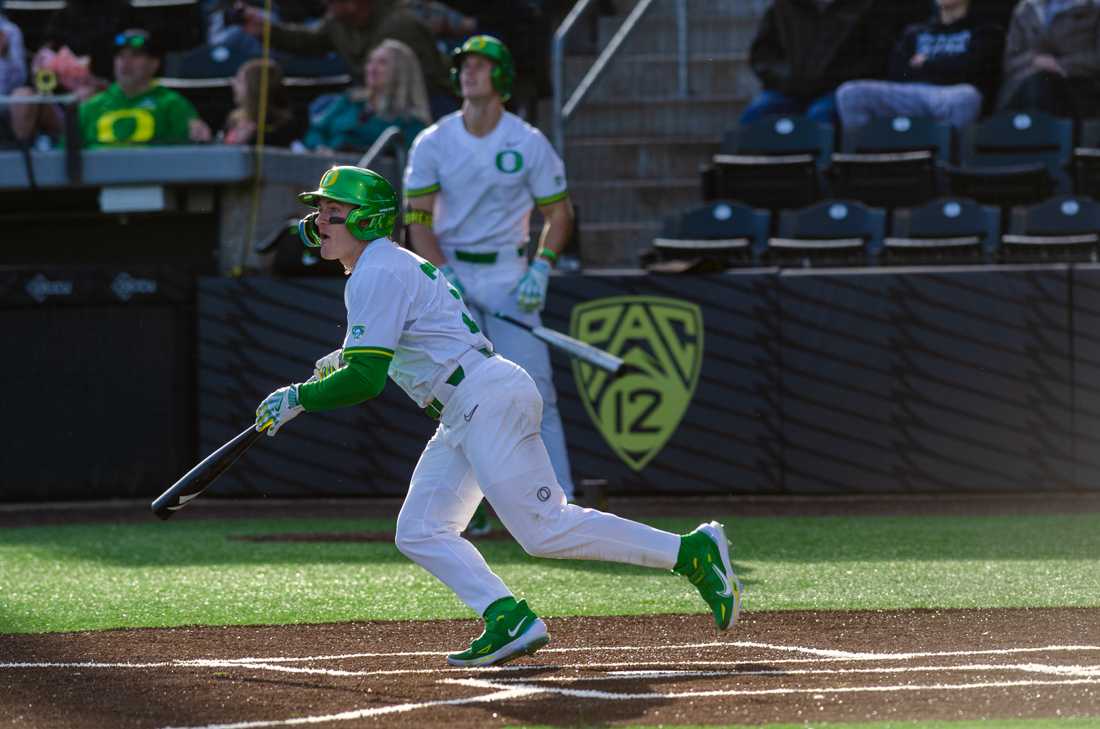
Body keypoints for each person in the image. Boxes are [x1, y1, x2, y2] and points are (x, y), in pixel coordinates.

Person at [253, 164, 743, 667]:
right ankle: (506, 616)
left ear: (368, 220)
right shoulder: (380, 267)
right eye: (321, 211)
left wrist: (299, 398)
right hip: (467, 405)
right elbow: (392, 347)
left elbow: (365, 379)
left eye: (335, 212)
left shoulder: (377, 271)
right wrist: (333, 365)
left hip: (484, 398)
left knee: (545, 529)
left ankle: (691, 553)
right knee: (421, 529)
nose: (321, 221)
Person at [402, 36, 577, 525]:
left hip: (507, 270)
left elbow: (558, 214)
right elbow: (418, 218)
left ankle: (561, 498)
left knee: (536, 385)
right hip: (451, 270)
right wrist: (444, 274)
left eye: (480, 66)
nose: (468, 74)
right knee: (461, 392)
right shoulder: (433, 141)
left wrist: (541, 267)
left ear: (500, 77)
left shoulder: (527, 141)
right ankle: (471, 507)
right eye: (464, 66)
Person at [236, 0, 453, 118]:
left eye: (332, 2)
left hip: (421, 99)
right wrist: (266, 31)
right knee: (323, 108)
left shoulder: (401, 25)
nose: (325, 5)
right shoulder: (337, 23)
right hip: (374, 98)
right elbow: (309, 42)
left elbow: (425, 80)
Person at [835, 0, 1004, 130]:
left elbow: (975, 71)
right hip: (909, 95)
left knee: (967, 97)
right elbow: (897, 72)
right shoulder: (915, 31)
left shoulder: (985, 31)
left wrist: (925, 63)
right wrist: (947, 65)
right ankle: (866, 163)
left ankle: (949, 167)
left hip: (951, 96)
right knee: (850, 93)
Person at [742, 0, 902, 125]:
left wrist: (826, 81)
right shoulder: (783, 7)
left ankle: (820, 167)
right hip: (789, 89)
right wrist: (788, 80)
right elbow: (763, 55)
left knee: (820, 115)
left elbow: (876, 57)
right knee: (756, 113)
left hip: (840, 90)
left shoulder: (870, 7)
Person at [77, 29, 212, 148]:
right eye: (120, 56)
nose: (126, 62)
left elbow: (190, 153)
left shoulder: (172, 104)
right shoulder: (90, 107)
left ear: (154, 63)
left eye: (135, 55)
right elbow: (65, 156)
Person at [302, 38, 430, 152]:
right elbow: (316, 131)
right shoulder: (350, 101)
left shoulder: (412, 122)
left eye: (382, 63)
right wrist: (320, 148)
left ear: (401, 72)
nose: (372, 68)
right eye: (370, 62)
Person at [996, 0, 1100, 120]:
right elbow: (1009, 60)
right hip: (1023, 85)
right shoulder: (1025, 9)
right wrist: (1034, 60)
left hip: (1077, 84)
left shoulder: (1094, 9)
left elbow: (1096, 58)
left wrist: (1059, 65)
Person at [221, 58, 302, 146]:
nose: (234, 84)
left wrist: (248, 142)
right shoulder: (234, 120)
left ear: (255, 88)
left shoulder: (283, 127)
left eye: (240, 80)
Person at [0, 12, 27, 145]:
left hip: (6, 100)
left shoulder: (10, 31)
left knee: (22, 95)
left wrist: (5, 54)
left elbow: (20, 79)